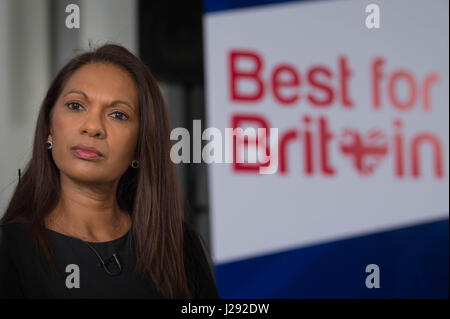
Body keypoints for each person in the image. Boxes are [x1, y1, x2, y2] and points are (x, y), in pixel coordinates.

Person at [0, 44, 219, 299]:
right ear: (49, 128)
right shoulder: (11, 249)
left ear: (140, 147)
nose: (93, 127)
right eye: (75, 105)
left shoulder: (179, 246)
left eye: (118, 114)